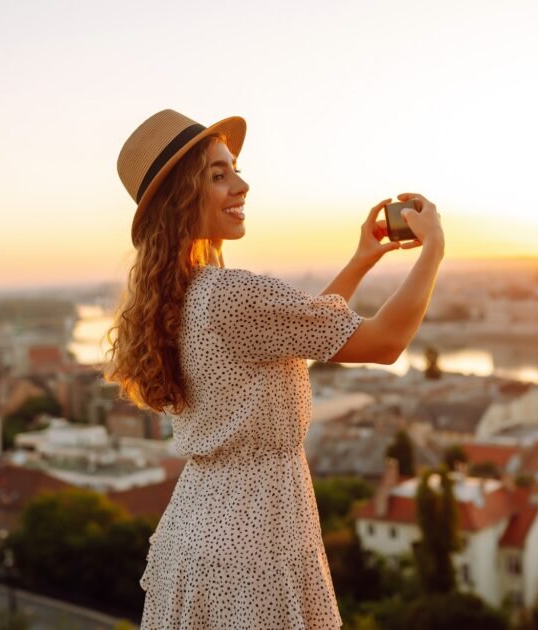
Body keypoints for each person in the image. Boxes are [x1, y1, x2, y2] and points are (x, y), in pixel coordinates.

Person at [105, 109, 445, 629]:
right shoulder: (231, 293)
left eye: (235, 168)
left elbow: (298, 336)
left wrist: (359, 262)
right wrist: (435, 249)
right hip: (258, 537)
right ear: (181, 198)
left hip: (199, 533)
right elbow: (385, 342)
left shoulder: (178, 298)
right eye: (218, 175)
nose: (241, 185)